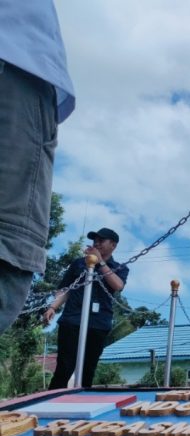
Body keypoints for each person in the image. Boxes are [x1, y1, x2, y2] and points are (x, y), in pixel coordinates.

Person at [0, 0, 76, 333]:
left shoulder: (107, 268)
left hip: (14, 54)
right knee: (9, 247)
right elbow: (63, 290)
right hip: (15, 54)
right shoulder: (79, 266)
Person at [43, 228, 128, 388]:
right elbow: (65, 289)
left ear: (113, 245)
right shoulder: (78, 263)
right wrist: (52, 307)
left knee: (88, 369)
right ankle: (51, 405)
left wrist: (99, 263)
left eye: (101, 241)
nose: (96, 243)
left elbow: (117, 285)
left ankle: (82, 405)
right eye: (94, 240)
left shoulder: (120, 268)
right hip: (72, 320)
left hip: (98, 324)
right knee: (65, 367)